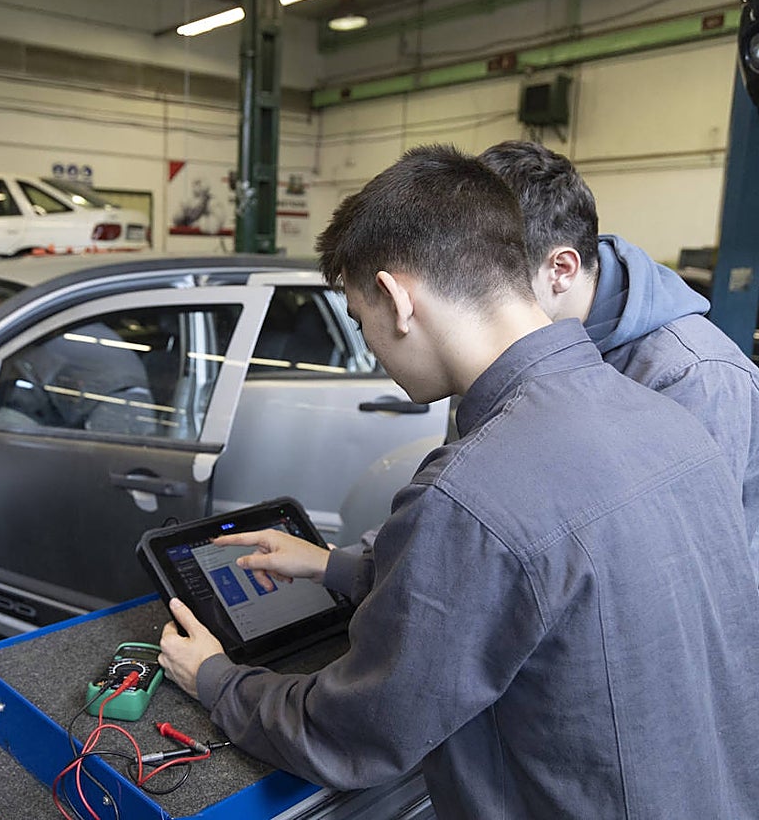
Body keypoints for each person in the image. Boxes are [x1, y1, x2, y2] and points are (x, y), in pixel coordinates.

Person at [158, 144, 759, 819]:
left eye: (362, 322)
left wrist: (215, 679)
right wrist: (344, 567)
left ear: (396, 298)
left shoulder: (468, 493)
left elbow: (354, 732)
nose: (375, 351)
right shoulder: (668, 413)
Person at [479, 140, 759, 570]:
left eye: (491, 282)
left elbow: (687, 568)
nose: (474, 304)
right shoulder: (520, 347)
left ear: (561, 270)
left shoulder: (695, 376)